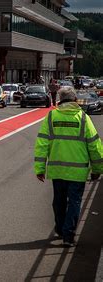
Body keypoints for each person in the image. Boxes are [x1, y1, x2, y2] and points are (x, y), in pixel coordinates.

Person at [34, 88, 102, 247]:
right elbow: (95, 146)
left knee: (58, 202)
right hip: (78, 171)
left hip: (57, 170)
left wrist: (40, 168)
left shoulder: (51, 116)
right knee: (74, 202)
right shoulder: (84, 118)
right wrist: (97, 169)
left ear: (60, 99)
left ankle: (60, 227)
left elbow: (42, 143)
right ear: (75, 100)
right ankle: (68, 235)